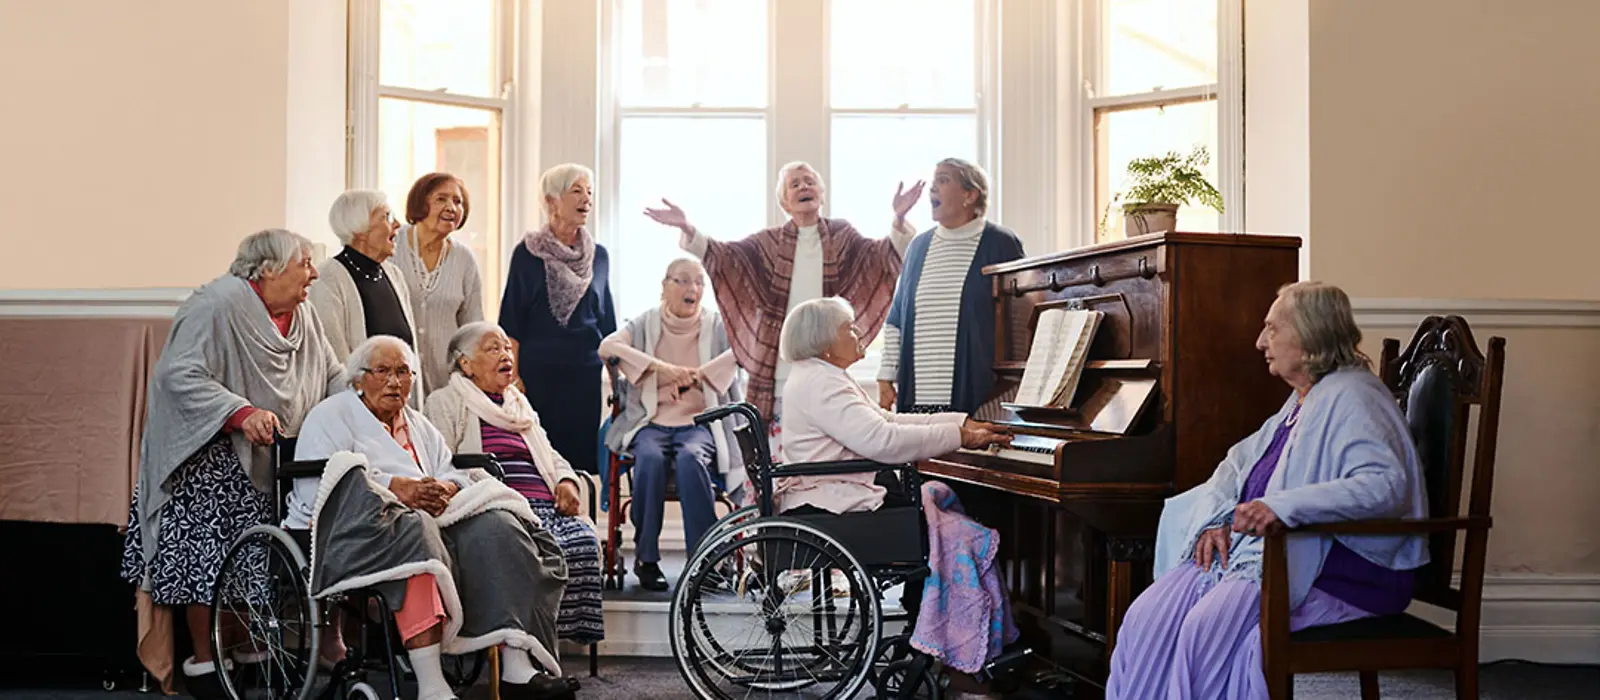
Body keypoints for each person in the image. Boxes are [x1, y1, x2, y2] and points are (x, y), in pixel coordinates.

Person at [1106, 281, 1430, 699]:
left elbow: (1385, 487)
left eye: (1273, 329)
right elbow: (1237, 464)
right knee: (1147, 618)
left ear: (1311, 337)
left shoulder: (1354, 396)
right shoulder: (1303, 399)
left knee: (1206, 629)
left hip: (1343, 572)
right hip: (1269, 554)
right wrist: (1218, 518)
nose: (1261, 342)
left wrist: (1282, 507)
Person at [119, 229, 346, 699]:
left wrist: (361, 399)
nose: (314, 274)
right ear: (268, 270)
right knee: (210, 559)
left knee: (256, 559)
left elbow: (330, 372)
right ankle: (207, 661)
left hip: (276, 454)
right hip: (207, 453)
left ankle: (250, 653)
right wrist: (240, 413)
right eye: (304, 263)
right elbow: (178, 375)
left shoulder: (303, 314)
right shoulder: (215, 305)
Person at [288, 336, 576, 700]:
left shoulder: (418, 423)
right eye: (382, 371)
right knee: (413, 530)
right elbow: (322, 485)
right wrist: (395, 489)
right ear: (358, 378)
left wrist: (445, 488)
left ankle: (517, 666)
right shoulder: (331, 416)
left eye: (403, 372)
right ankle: (432, 686)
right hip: (361, 524)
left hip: (429, 516)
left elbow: (449, 470)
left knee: (499, 526)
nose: (394, 382)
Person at [776, 296, 1018, 677]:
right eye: (848, 328)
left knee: (943, 510)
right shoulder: (821, 383)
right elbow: (883, 441)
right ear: (825, 344)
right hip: (838, 501)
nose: (859, 332)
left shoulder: (821, 376)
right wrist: (961, 437)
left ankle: (948, 634)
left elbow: (889, 421)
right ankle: (957, 641)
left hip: (840, 489)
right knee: (963, 532)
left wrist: (961, 424)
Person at [644, 161, 914, 460]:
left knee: (826, 457)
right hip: (779, 377)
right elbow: (724, 257)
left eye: (809, 181)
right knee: (778, 462)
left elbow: (882, 258)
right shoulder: (767, 245)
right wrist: (686, 228)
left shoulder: (842, 235)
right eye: (794, 184)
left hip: (828, 373)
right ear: (784, 202)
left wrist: (899, 218)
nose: (803, 187)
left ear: (822, 193)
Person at [426, 322, 605, 646]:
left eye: (507, 347)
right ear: (466, 363)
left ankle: (548, 637)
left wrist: (566, 480)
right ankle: (526, 641)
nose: (505, 354)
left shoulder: (517, 403)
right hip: (497, 506)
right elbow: (442, 462)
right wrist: (494, 491)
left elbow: (549, 453)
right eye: (493, 348)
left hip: (544, 504)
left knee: (582, 542)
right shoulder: (445, 401)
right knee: (535, 550)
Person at [597, 258, 745, 591]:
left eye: (699, 282)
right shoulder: (645, 322)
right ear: (664, 286)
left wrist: (696, 376)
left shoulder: (717, 325)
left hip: (699, 423)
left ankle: (705, 560)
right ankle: (647, 559)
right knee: (649, 459)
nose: (693, 289)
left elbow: (744, 349)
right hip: (650, 421)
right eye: (683, 280)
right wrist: (663, 369)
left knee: (692, 459)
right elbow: (607, 347)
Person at [878, 158, 1026, 414]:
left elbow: (1020, 321)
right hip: (919, 399)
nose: (933, 187)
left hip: (981, 398)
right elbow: (896, 318)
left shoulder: (1001, 243)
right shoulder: (918, 247)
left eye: (943, 180)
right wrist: (885, 376)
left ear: (970, 195)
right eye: (933, 181)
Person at [501, 163, 616, 475]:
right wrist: (513, 377)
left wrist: (621, 381)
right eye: (576, 191)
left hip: (584, 376)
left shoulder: (599, 256)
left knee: (580, 466)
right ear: (551, 200)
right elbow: (511, 321)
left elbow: (608, 325)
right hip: (538, 376)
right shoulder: (527, 254)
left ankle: (580, 510)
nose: (587, 199)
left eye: (589, 192)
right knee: (539, 460)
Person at [310, 189, 423, 400]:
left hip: (398, 406)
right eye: (387, 217)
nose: (397, 225)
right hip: (358, 408)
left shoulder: (394, 274)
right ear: (360, 230)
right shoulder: (328, 278)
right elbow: (335, 362)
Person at [393, 172, 486, 396]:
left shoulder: (464, 259)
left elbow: (473, 327)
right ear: (420, 203)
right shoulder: (392, 246)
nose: (451, 208)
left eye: (457, 202)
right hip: (394, 380)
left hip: (447, 383)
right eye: (441, 199)